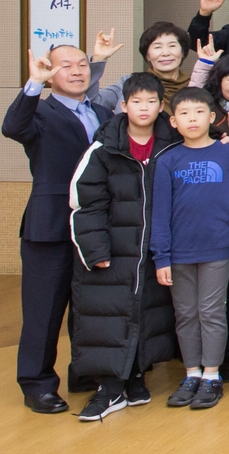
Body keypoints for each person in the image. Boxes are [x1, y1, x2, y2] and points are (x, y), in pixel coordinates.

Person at [4, 43, 115, 412]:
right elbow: (12, 127)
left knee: (89, 307)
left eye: (82, 64)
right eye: (65, 66)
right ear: (50, 73)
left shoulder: (102, 113)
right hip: (48, 224)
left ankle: (84, 373)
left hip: (94, 225)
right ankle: (37, 384)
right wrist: (33, 84)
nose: (77, 71)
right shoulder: (39, 111)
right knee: (44, 309)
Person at [68, 72, 182, 422]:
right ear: (123, 105)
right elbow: (85, 203)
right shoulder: (104, 148)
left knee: (147, 313)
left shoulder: (174, 144)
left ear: (161, 106)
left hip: (155, 251)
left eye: (151, 102)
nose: (144, 108)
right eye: (136, 102)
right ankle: (109, 387)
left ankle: (135, 376)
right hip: (113, 250)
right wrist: (95, 250)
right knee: (107, 317)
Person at [149, 87, 229, 411]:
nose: (192, 119)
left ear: (212, 117)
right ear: (173, 121)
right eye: (184, 113)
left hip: (218, 248)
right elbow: (159, 212)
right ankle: (191, 373)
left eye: (198, 112)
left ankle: (211, 375)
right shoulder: (167, 160)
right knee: (185, 314)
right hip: (178, 252)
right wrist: (161, 256)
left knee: (211, 312)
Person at [139, 21, 193, 110]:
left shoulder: (196, 84)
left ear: (183, 52)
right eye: (157, 47)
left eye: (172, 46)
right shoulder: (134, 84)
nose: (165, 53)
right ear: (147, 56)